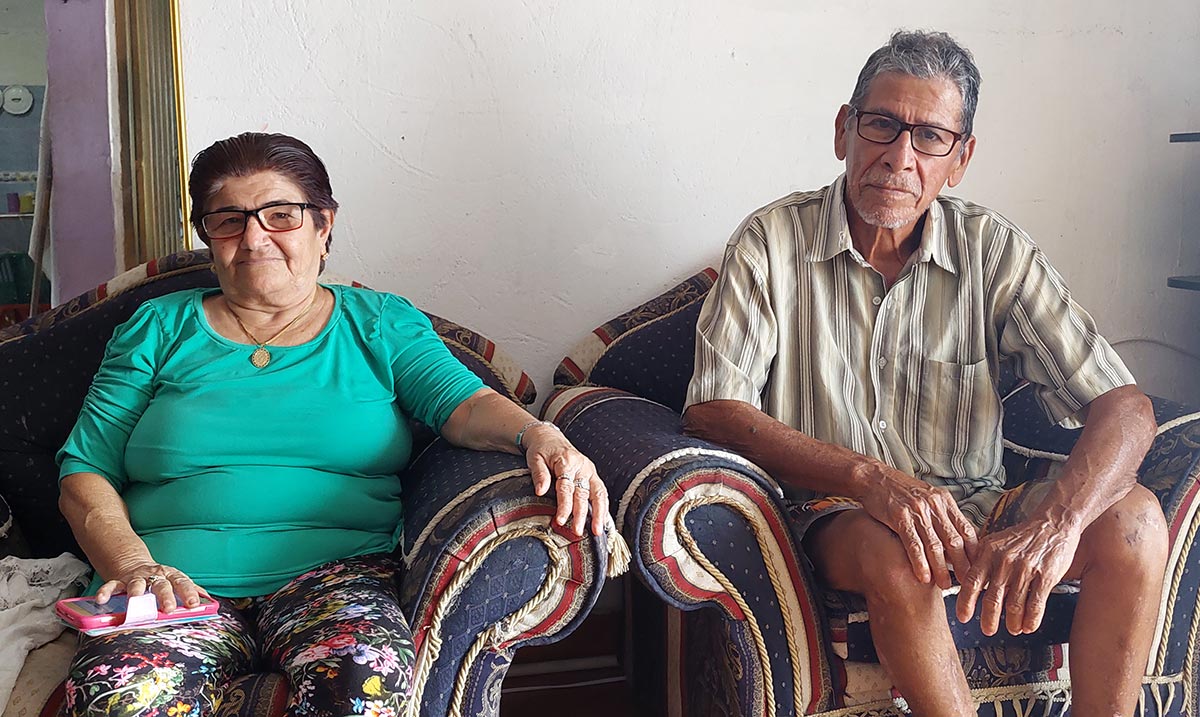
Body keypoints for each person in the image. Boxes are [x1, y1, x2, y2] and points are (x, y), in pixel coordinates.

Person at [682, 30, 1167, 717]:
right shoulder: (771, 241)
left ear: (960, 158)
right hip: (834, 511)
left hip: (976, 509)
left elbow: (1125, 406)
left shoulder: (991, 249)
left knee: (1136, 519)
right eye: (881, 124)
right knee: (898, 548)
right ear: (844, 130)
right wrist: (869, 478)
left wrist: (1059, 522)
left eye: (930, 137)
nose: (899, 157)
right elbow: (712, 409)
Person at [56, 131, 607, 717]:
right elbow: (85, 469)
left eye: (281, 215)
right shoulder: (157, 328)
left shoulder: (379, 323)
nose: (254, 237)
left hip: (336, 579)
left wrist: (539, 434)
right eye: (228, 220)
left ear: (324, 226)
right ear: (207, 237)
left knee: (366, 687)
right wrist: (134, 566)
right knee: (121, 695)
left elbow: (465, 407)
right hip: (172, 584)